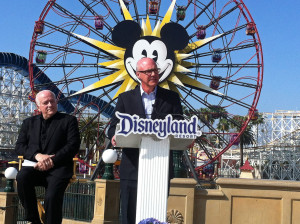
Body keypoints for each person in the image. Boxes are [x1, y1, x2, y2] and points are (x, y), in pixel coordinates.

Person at [107, 57, 183, 224]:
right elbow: (113, 126)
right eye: (148, 71)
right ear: (138, 74)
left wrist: (185, 137)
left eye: (155, 70)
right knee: (128, 213)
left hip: (160, 167)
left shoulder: (172, 98)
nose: (153, 74)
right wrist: (113, 136)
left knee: (157, 211)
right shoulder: (125, 98)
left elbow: (180, 126)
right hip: (132, 166)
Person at [15, 90, 80, 224]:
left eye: (52, 101)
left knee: (52, 197)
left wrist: (51, 160)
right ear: (38, 106)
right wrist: (36, 156)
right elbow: (19, 146)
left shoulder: (69, 120)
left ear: (56, 102)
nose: (50, 104)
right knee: (21, 177)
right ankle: (33, 219)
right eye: (46, 103)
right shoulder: (28, 123)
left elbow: (73, 145)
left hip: (59, 168)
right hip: (36, 166)